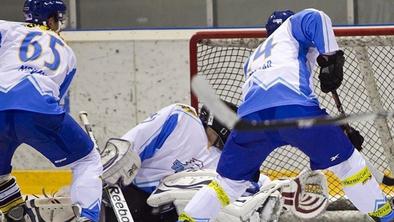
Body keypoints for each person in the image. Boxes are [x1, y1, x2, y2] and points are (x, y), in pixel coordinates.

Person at [178, 8, 394, 222]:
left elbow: (270, 101)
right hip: (293, 111)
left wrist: (335, 131)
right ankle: (387, 217)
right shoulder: (290, 29)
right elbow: (315, 16)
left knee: (227, 184)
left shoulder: (253, 58)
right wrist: (331, 59)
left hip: (249, 122)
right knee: (349, 166)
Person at [0, 1, 102, 221]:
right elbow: (56, 98)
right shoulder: (67, 52)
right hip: (37, 109)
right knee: (87, 160)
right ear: (51, 20)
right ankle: (87, 217)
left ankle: (13, 212)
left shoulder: (8, 28)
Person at [103, 102, 247, 222]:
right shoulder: (182, 118)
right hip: (129, 193)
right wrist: (114, 163)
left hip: (169, 210)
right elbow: (134, 141)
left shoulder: (221, 157)